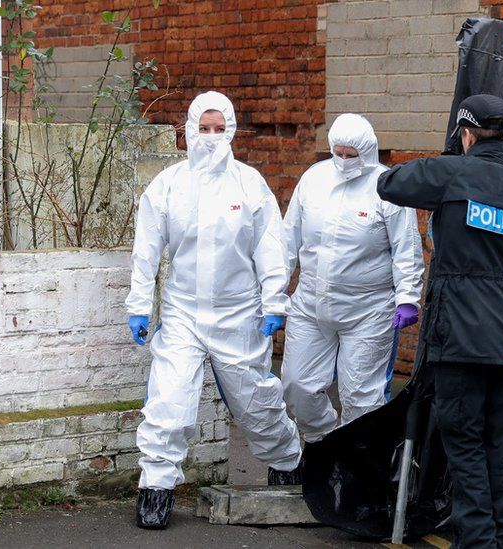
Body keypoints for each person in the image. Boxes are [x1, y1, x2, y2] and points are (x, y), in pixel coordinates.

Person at [125, 91, 301, 529]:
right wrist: (139, 305)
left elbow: (269, 248)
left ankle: (287, 461)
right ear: (188, 130)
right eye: (202, 129)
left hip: (238, 314)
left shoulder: (249, 183)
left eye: (218, 129)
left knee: (256, 402)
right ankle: (156, 486)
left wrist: (274, 300)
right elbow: (146, 251)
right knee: (170, 400)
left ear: (232, 131)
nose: (209, 138)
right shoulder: (167, 185)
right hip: (183, 313)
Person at [377, 94, 503, 548]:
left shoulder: (453, 173)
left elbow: (390, 184)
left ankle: (477, 543)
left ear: (466, 134)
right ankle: (502, 540)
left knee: (466, 444)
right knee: (501, 446)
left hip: (463, 337)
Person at [279, 113, 424, 450]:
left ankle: (356, 466)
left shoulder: (386, 187)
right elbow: (288, 240)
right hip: (311, 302)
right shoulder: (314, 180)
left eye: (351, 155)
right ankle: (323, 445)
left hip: (368, 309)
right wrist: (274, 289)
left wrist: (407, 297)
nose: (344, 161)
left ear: (367, 152)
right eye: (338, 154)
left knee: (361, 395)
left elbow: (406, 248)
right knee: (297, 385)